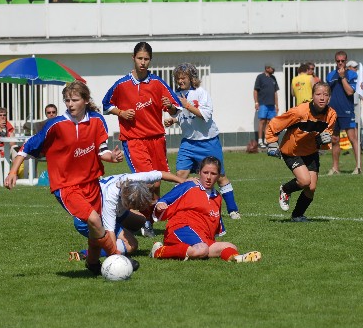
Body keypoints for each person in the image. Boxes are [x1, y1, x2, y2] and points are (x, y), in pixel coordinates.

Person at [4, 81, 133, 276]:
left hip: (91, 182)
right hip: (66, 186)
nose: (70, 104)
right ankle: (117, 257)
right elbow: (27, 147)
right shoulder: (55, 124)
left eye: (74, 100)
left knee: (95, 226)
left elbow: (102, 150)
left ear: (86, 100)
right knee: (94, 220)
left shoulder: (97, 120)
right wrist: (13, 172)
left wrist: (112, 157)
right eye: (67, 100)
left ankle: (92, 263)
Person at [102, 41, 182, 236]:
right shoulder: (122, 84)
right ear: (133, 58)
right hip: (134, 140)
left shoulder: (158, 83)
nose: (143, 62)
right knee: (148, 182)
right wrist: (121, 112)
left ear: (150, 60)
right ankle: (134, 219)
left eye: (146, 59)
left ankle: (147, 221)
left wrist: (170, 107)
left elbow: (176, 109)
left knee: (157, 184)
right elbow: (106, 105)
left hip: (157, 139)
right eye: (140, 58)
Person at [164, 62, 241, 220]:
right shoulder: (176, 94)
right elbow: (178, 113)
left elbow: (205, 115)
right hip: (188, 143)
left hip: (208, 142)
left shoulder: (201, 93)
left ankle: (233, 209)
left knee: (220, 177)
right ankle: (174, 210)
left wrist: (187, 105)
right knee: (180, 175)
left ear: (192, 78)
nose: (180, 81)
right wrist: (172, 115)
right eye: (178, 78)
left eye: (183, 78)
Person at [149, 156, 262, 263]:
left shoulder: (217, 197)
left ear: (218, 176)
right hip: (181, 229)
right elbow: (165, 200)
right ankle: (159, 251)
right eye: (205, 172)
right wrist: (161, 204)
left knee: (230, 246)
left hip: (202, 236)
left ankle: (236, 258)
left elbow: (215, 223)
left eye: (213, 174)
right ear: (199, 172)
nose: (208, 177)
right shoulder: (189, 186)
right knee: (202, 249)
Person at [68, 170, 186, 262]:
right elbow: (110, 233)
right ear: (125, 201)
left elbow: (160, 174)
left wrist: (184, 181)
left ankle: (121, 234)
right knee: (131, 245)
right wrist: (115, 260)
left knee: (140, 220)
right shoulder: (110, 199)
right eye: (133, 206)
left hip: (114, 212)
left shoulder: (136, 179)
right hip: (88, 220)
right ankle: (86, 254)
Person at [265, 82, 337, 222]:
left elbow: (327, 132)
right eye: (318, 94)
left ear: (329, 97)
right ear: (312, 96)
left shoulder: (331, 114)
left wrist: (326, 137)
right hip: (292, 151)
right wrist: (272, 142)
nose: (322, 98)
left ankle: (297, 215)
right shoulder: (300, 112)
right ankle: (285, 189)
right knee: (304, 181)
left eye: (325, 95)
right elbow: (274, 124)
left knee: (311, 188)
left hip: (310, 151)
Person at [326, 51, 361, 175]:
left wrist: (342, 77)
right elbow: (327, 93)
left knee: (352, 138)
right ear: (335, 61)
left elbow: (350, 92)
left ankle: (358, 167)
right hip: (333, 112)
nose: (340, 63)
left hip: (347, 111)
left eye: (342, 61)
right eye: (338, 61)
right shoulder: (330, 75)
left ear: (346, 61)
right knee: (335, 139)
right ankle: (335, 168)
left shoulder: (352, 74)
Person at [254, 64, 279, 148]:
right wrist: (256, 102)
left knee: (269, 122)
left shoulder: (273, 78)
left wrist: (277, 105)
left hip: (271, 105)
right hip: (263, 103)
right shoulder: (260, 77)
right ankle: (260, 141)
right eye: (272, 68)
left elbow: (275, 92)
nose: (273, 70)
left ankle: (266, 139)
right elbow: (255, 90)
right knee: (262, 121)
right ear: (267, 68)